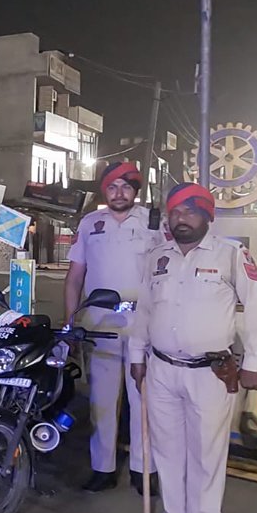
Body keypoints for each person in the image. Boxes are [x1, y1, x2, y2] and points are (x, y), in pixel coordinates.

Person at [129, 183, 257, 513]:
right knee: (167, 448)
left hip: (210, 371)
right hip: (161, 368)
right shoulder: (158, 256)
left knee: (207, 451)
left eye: (190, 212)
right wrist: (136, 354)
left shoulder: (230, 255)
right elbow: (144, 310)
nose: (181, 219)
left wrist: (253, 364)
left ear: (208, 216)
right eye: (175, 213)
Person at [64, 161, 167, 494]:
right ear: (104, 191)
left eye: (126, 186)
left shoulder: (155, 222)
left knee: (143, 398)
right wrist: (70, 320)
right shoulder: (90, 223)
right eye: (112, 187)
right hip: (100, 320)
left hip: (142, 322)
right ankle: (102, 467)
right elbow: (75, 275)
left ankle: (143, 468)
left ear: (136, 191)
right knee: (102, 400)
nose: (119, 193)